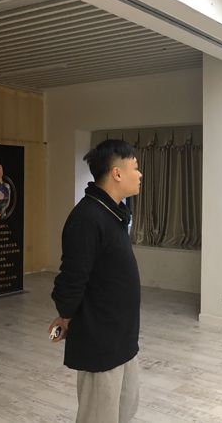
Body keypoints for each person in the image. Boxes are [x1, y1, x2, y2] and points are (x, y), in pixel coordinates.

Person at [49, 139, 143, 423]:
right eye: (135, 167)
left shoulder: (113, 213)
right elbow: (72, 277)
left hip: (123, 337)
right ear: (117, 173)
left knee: (124, 409)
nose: (140, 174)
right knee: (99, 416)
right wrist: (65, 315)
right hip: (100, 340)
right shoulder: (87, 218)